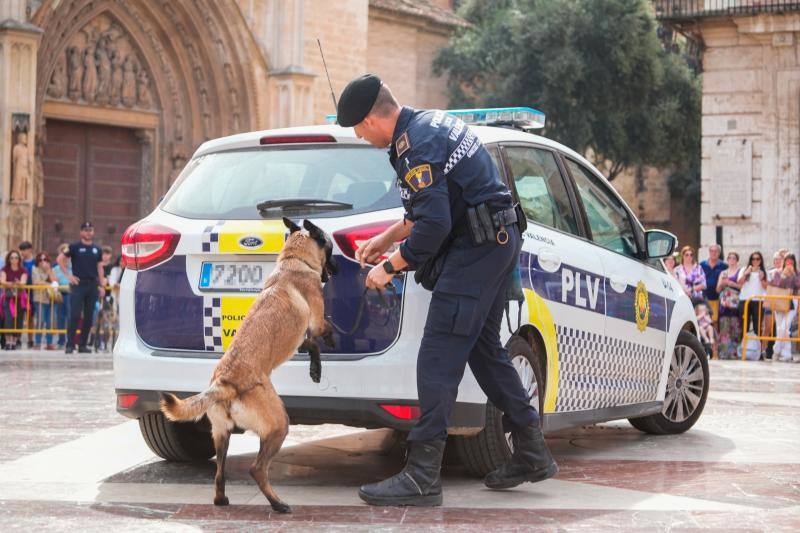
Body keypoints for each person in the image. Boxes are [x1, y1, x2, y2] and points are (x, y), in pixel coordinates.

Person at [337, 74, 556, 507]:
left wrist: (390, 266)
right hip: (496, 240)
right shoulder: (427, 125)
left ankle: (421, 476)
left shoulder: (414, 146)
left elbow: (435, 225)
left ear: (369, 118)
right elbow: (427, 207)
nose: (361, 138)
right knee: (484, 350)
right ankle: (531, 450)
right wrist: (385, 238)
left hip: (476, 249)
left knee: (438, 355)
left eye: (359, 129)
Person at [57, 222, 107, 354]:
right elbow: (60, 259)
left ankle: (83, 345)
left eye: (90, 230)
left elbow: (100, 267)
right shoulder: (74, 247)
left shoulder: (97, 249)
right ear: (81, 232)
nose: (88, 232)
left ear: (93, 232)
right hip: (78, 284)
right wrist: (69, 276)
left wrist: (101, 285)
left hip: (92, 285)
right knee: (74, 315)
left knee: (89, 317)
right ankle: (70, 344)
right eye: (86, 230)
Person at [767, 253, 800, 362]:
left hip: (792, 301)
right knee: (780, 328)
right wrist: (783, 275)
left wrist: (793, 275)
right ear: (784, 261)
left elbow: (798, 286)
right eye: (787, 261)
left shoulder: (797, 272)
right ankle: (786, 354)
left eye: (791, 261)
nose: (789, 263)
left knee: (785, 327)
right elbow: (775, 284)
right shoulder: (778, 272)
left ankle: (776, 351)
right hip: (779, 300)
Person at [717, 251, 743, 359]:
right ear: (727, 260)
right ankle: (724, 353)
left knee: (736, 329)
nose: (731, 260)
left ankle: (734, 353)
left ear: (737, 260)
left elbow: (742, 287)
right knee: (724, 329)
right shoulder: (723, 273)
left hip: (736, 305)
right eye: (730, 258)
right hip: (724, 304)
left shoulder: (740, 271)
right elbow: (718, 289)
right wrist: (722, 283)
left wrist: (731, 283)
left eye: (734, 258)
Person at [0, 250, 29, 350]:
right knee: (8, 319)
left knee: (19, 319)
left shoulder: (23, 270)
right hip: (8, 298)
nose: (14, 260)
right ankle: (8, 341)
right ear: (9, 259)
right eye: (12, 258)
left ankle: (15, 340)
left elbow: (23, 282)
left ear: (19, 259)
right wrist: (11, 283)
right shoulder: (5, 269)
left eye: (16, 257)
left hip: (20, 298)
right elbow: (2, 280)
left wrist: (17, 283)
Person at [738, 251, 767, 346]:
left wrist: (762, 278)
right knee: (744, 325)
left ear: (761, 260)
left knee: (757, 326)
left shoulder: (764, 271)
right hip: (745, 300)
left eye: (757, 259)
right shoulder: (744, 269)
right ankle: (742, 348)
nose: (755, 261)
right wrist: (746, 273)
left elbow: (766, 287)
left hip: (758, 300)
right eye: (753, 259)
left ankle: (758, 350)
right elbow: (739, 283)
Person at [31, 252, 59, 350]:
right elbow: (37, 282)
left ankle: (50, 343)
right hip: (40, 298)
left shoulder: (51, 270)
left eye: (45, 260)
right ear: (37, 261)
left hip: (51, 298)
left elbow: (55, 281)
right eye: (41, 260)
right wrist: (48, 283)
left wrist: (49, 272)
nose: (43, 262)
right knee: (40, 320)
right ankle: (37, 342)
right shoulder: (35, 269)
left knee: (50, 321)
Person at [700, 244, 727, 324]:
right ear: (709, 252)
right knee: (704, 321)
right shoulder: (702, 265)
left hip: (718, 298)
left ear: (719, 253)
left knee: (716, 321)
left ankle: (715, 336)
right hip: (704, 297)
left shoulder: (724, 266)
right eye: (712, 251)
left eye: (716, 251)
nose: (713, 253)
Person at [53, 243, 72, 348]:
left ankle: (71, 340)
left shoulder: (74, 267)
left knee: (71, 317)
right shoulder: (56, 269)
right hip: (60, 294)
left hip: (71, 294)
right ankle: (61, 340)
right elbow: (54, 280)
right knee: (60, 318)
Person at [19, 241, 35, 347]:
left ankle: (30, 339)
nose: (23, 252)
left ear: (30, 249)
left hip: (32, 291)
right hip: (21, 291)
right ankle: (18, 337)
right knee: (19, 315)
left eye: (25, 250)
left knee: (30, 316)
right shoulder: (19, 262)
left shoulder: (36, 261)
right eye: (21, 250)